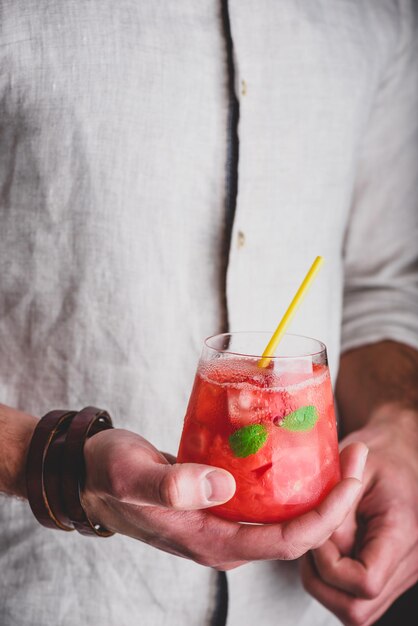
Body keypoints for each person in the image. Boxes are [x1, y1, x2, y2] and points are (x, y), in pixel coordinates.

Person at [0, 1, 417, 625]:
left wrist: (403, 428)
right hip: (49, 593)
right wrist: (58, 464)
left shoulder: (378, 15)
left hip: (298, 606)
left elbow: (378, 284)